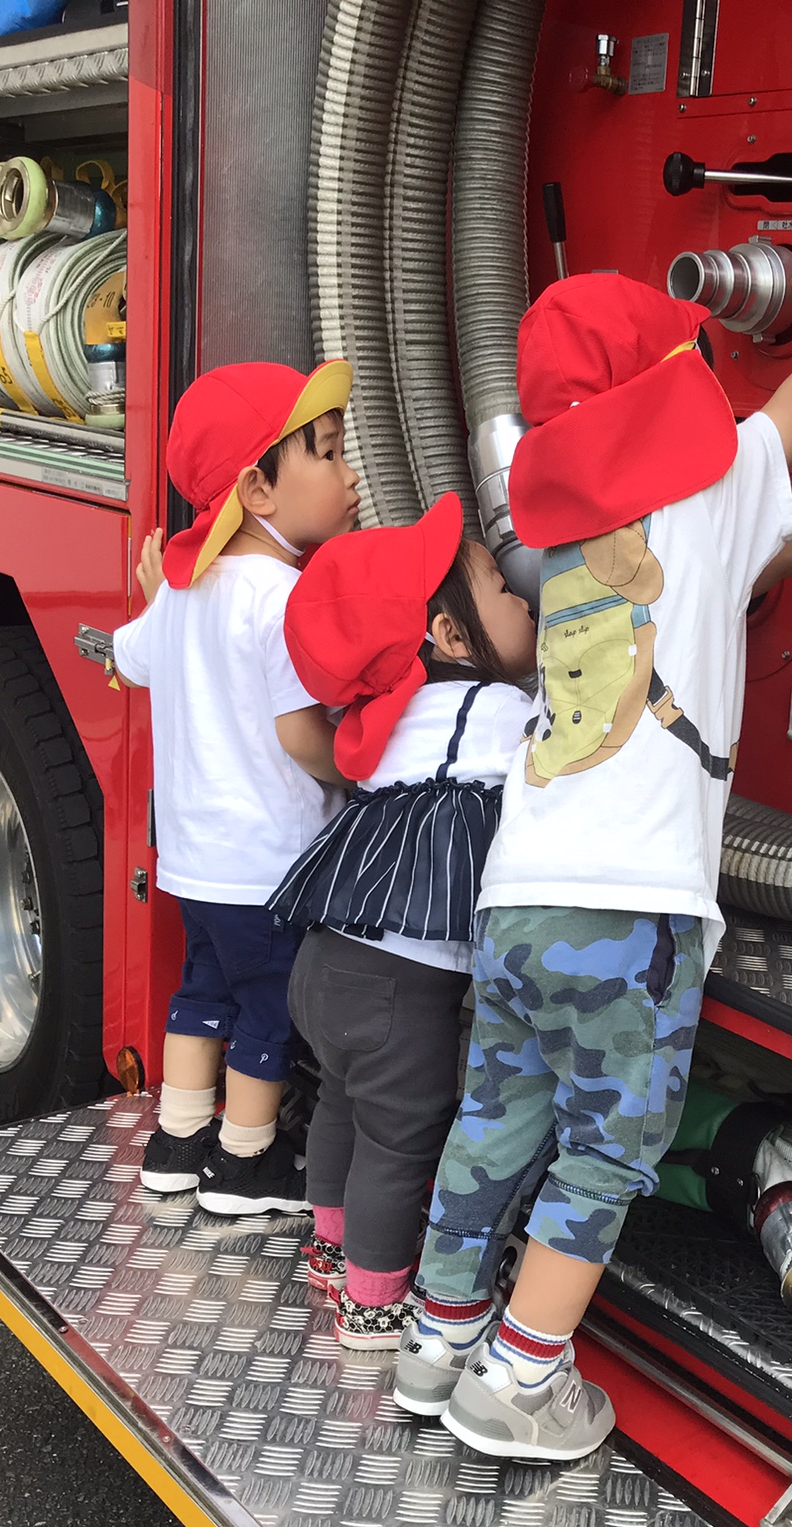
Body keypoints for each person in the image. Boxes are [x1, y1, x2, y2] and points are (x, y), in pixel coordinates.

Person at [394, 253, 792, 1459]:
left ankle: (435, 1343)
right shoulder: (725, 478)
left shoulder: (565, 526)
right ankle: (520, 1381)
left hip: (519, 892)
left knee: (493, 1121)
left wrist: (772, 558)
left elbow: (660, 610)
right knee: (606, 1151)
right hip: (631, 910)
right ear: (669, 381)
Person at [268, 491, 538, 1350]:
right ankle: (375, 1306)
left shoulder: (392, 719)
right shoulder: (496, 713)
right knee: (403, 1136)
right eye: (502, 584)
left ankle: (334, 1252)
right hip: (398, 988)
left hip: (325, 964)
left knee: (343, 1108)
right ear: (454, 638)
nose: (525, 596)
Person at [115, 359, 361, 1215]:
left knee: (201, 994)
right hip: (269, 867)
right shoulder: (287, 598)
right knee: (270, 1013)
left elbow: (128, 657)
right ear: (259, 489)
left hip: (195, 863)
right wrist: (357, 768)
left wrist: (154, 601)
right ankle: (245, 1161)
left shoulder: (184, 593)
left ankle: (176, 1144)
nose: (350, 474)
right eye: (328, 455)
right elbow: (302, 735)